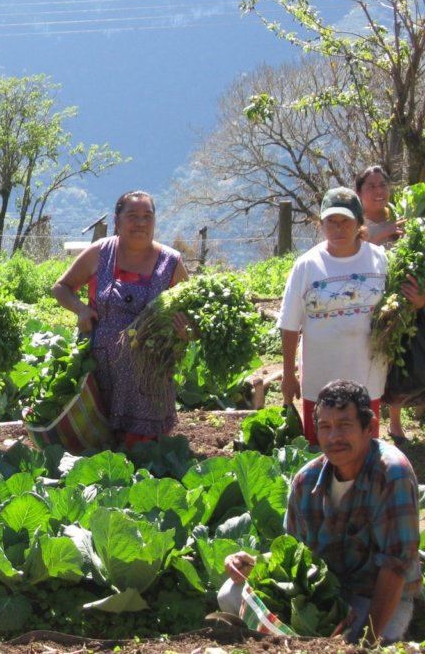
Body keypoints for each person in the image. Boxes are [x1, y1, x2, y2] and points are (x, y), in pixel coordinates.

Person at [219, 380, 421, 645]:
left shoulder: (391, 474)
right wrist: (254, 562)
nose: (333, 437)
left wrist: (364, 643)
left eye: (344, 425)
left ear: (370, 428)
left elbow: (395, 568)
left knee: (371, 640)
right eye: (325, 427)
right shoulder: (306, 480)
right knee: (229, 594)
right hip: (325, 593)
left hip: (375, 596)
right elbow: (294, 555)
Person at [279, 187, 425, 445]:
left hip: (368, 378)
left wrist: (417, 303)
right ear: (321, 223)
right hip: (319, 379)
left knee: (364, 451)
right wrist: (289, 375)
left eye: (345, 221)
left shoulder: (380, 260)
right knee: (322, 451)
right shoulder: (307, 265)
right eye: (331, 222)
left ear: (359, 223)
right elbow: (290, 323)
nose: (338, 228)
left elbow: (399, 309)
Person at [50, 191, 189, 446]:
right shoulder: (100, 253)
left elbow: (193, 313)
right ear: (117, 220)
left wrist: (186, 330)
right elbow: (61, 288)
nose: (141, 223)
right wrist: (81, 309)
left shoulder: (170, 262)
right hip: (99, 370)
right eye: (132, 216)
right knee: (95, 447)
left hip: (149, 378)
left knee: (145, 454)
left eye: (147, 216)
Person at [356, 166, 409, 443]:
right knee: (371, 357)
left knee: (396, 358)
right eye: (371, 186)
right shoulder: (355, 222)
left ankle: (396, 421)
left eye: (382, 185)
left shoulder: (401, 215)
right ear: (360, 192)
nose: (378, 191)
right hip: (366, 300)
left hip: (399, 298)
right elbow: (352, 253)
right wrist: (381, 234)